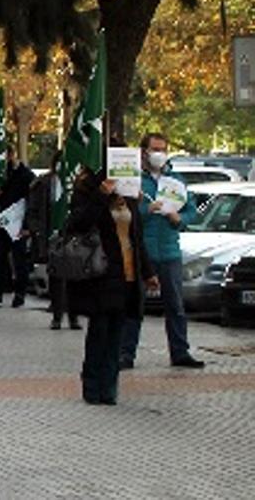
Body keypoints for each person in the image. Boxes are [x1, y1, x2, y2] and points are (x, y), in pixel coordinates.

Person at [65, 170, 158, 405]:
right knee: (100, 330)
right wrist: (101, 196)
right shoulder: (90, 194)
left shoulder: (130, 199)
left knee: (117, 333)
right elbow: (79, 224)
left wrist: (148, 273)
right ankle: (92, 386)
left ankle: (109, 388)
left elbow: (137, 239)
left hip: (128, 274)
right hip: (103, 273)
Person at [120, 133, 205, 369]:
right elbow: (124, 214)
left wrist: (180, 218)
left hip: (169, 251)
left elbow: (191, 211)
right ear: (144, 152)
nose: (159, 154)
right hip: (142, 253)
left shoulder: (176, 180)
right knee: (135, 305)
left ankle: (180, 352)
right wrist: (146, 209)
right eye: (155, 149)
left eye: (163, 149)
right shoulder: (134, 180)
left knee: (175, 306)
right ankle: (126, 354)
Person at [27, 152, 80, 330]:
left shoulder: (77, 182)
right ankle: (57, 315)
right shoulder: (44, 183)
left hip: (74, 237)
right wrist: (35, 229)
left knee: (74, 278)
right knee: (56, 277)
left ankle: (73, 316)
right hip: (52, 236)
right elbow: (33, 208)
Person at [0, 145, 36, 308]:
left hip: (19, 223)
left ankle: (20, 293)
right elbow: (0, 199)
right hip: (4, 221)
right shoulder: (2, 176)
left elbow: (32, 202)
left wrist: (27, 225)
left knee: (19, 259)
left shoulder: (26, 175)